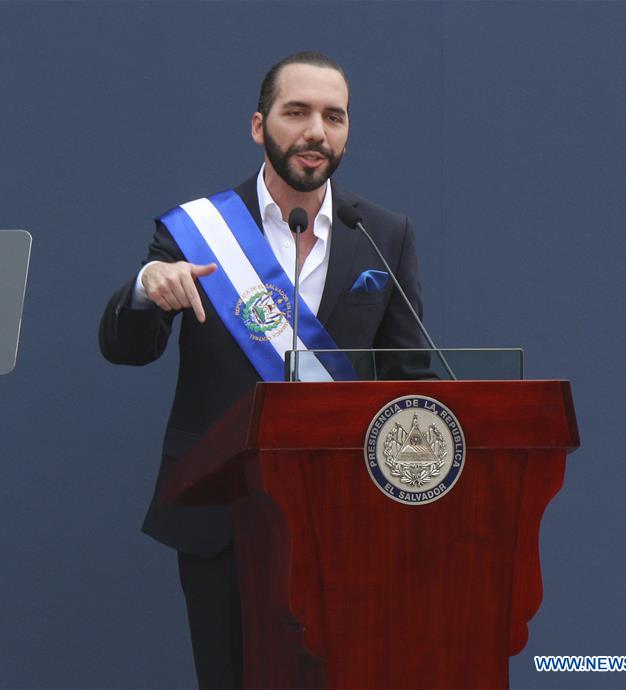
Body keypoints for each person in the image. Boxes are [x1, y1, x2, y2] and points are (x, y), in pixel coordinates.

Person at [99, 51, 426, 690]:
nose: (316, 132)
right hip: (221, 515)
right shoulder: (198, 231)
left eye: (334, 116)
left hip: (345, 514)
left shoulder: (382, 234)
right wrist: (144, 287)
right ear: (259, 126)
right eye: (297, 112)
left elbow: (411, 376)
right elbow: (129, 348)